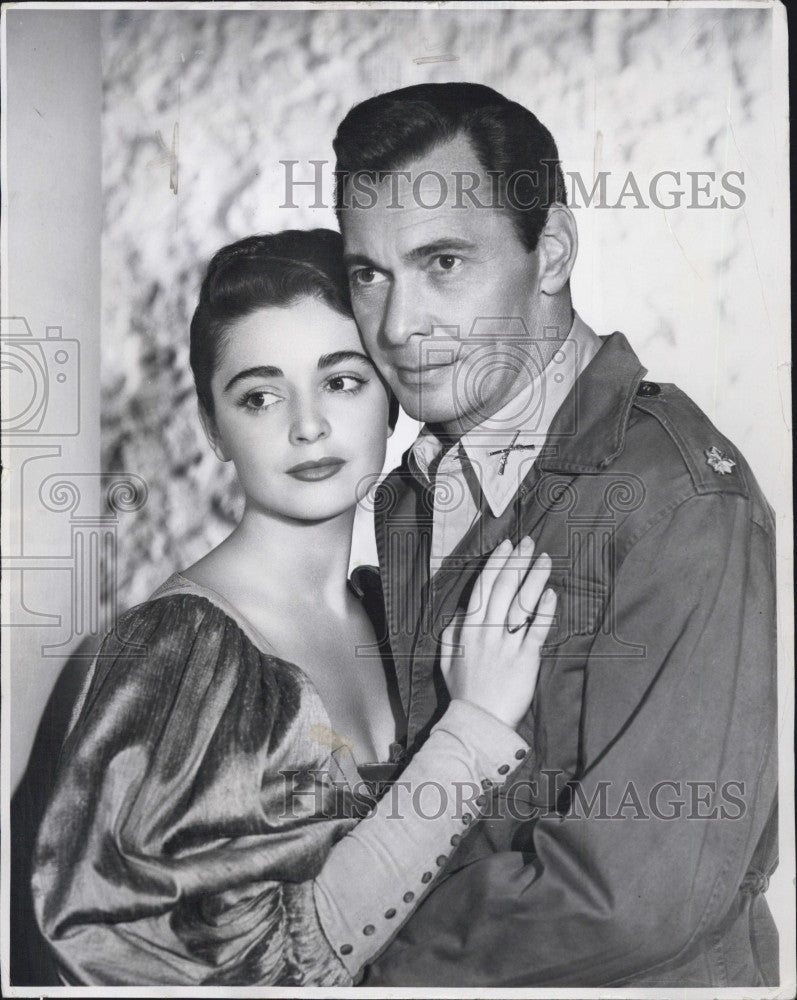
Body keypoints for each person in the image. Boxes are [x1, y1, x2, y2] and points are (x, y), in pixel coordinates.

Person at [332, 82, 779, 987]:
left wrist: (349, 959)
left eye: (444, 263)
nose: (396, 326)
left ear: (553, 252)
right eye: (368, 273)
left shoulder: (679, 500)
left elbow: (633, 898)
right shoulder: (418, 484)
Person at [31, 229, 558, 986]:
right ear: (214, 428)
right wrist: (469, 736)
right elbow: (134, 963)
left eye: (342, 381)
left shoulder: (390, 610)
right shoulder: (178, 652)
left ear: (391, 401)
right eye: (259, 396)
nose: (306, 425)